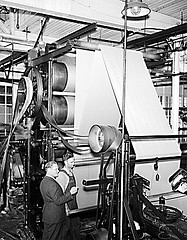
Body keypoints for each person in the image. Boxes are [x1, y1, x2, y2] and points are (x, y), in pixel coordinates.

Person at [40, 160, 78, 240]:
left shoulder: (44, 181)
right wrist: (70, 193)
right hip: (55, 216)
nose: (58, 171)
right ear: (49, 170)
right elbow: (58, 200)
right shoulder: (52, 184)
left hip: (49, 215)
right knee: (54, 237)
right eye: (55, 169)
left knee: (47, 236)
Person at [56, 151, 81, 240]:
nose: (73, 164)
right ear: (66, 162)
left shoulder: (71, 172)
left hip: (73, 203)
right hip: (67, 206)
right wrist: (66, 208)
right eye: (71, 162)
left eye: (74, 161)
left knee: (76, 226)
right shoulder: (62, 175)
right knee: (68, 229)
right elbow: (60, 194)